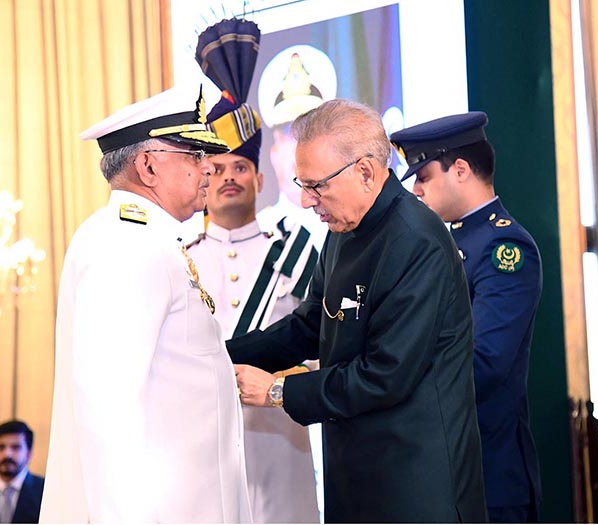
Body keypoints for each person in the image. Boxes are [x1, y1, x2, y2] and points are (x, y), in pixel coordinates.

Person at [231, 98, 487, 523]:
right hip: (356, 476)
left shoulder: (416, 240)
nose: (307, 199)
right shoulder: (344, 225)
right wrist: (220, 354)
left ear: (366, 172)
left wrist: (276, 391)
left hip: (416, 487)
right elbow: (311, 325)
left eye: (316, 185)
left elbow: (385, 375)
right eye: (302, 183)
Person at [39, 87, 251, 523]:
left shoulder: (147, 238)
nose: (208, 166)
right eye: (193, 153)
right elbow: (108, 413)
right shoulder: (126, 244)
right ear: (148, 165)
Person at [189, 19, 319, 523]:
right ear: (203, 181)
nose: (228, 177)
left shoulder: (298, 248)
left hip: (279, 435)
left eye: (239, 167)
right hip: (204, 435)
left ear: (260, 177)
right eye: (216, 169)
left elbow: (319, 339)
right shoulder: (180, 255)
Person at [390, 112, 542, 523]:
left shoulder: (504, 247)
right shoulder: (439, 243)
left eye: (423, 177)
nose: (416, 190)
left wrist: (389, 386)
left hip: (488, 475)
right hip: (435, 473)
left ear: (460, 170)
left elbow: (485, 364)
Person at [256, 45, 337, 250]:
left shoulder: (348, 221)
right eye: (288, 133)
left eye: (308, 131)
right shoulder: (260, 232)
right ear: (274, 154)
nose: (298, 146)